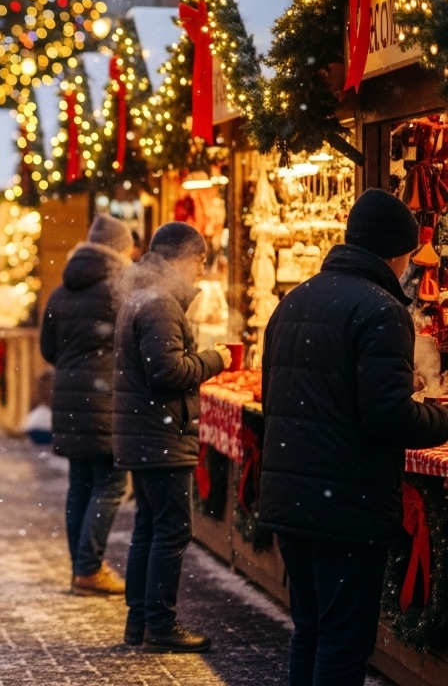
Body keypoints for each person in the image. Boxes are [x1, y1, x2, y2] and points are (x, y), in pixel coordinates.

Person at [260, 189, 448, 684]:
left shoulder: (294, 300)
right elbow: (388, 419)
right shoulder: (382, 310)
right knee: (344, 642)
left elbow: (287, 392)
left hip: (292, 498)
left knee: (311, 630)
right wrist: (441, 417)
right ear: (396, 250)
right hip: (344, 504)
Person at [113, 221, 230, 652]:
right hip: (159, 435)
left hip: (147, 434)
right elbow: (167, 372)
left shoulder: (142, 295)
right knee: (171, 530)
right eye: (200, 261)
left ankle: (140, 622)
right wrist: (215, 358)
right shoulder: (160, 302)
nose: (202, 271)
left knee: (150, 526)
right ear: (181, 257)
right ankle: (160, 625)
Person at [40, 214, 134, 597]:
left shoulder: (60, 292)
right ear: (120, 250)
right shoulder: (120, 290)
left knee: (80, 482)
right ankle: (89, 568)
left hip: (68, 399)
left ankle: (82, 566)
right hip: (105, 398)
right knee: (112, 482)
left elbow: (49, 350)